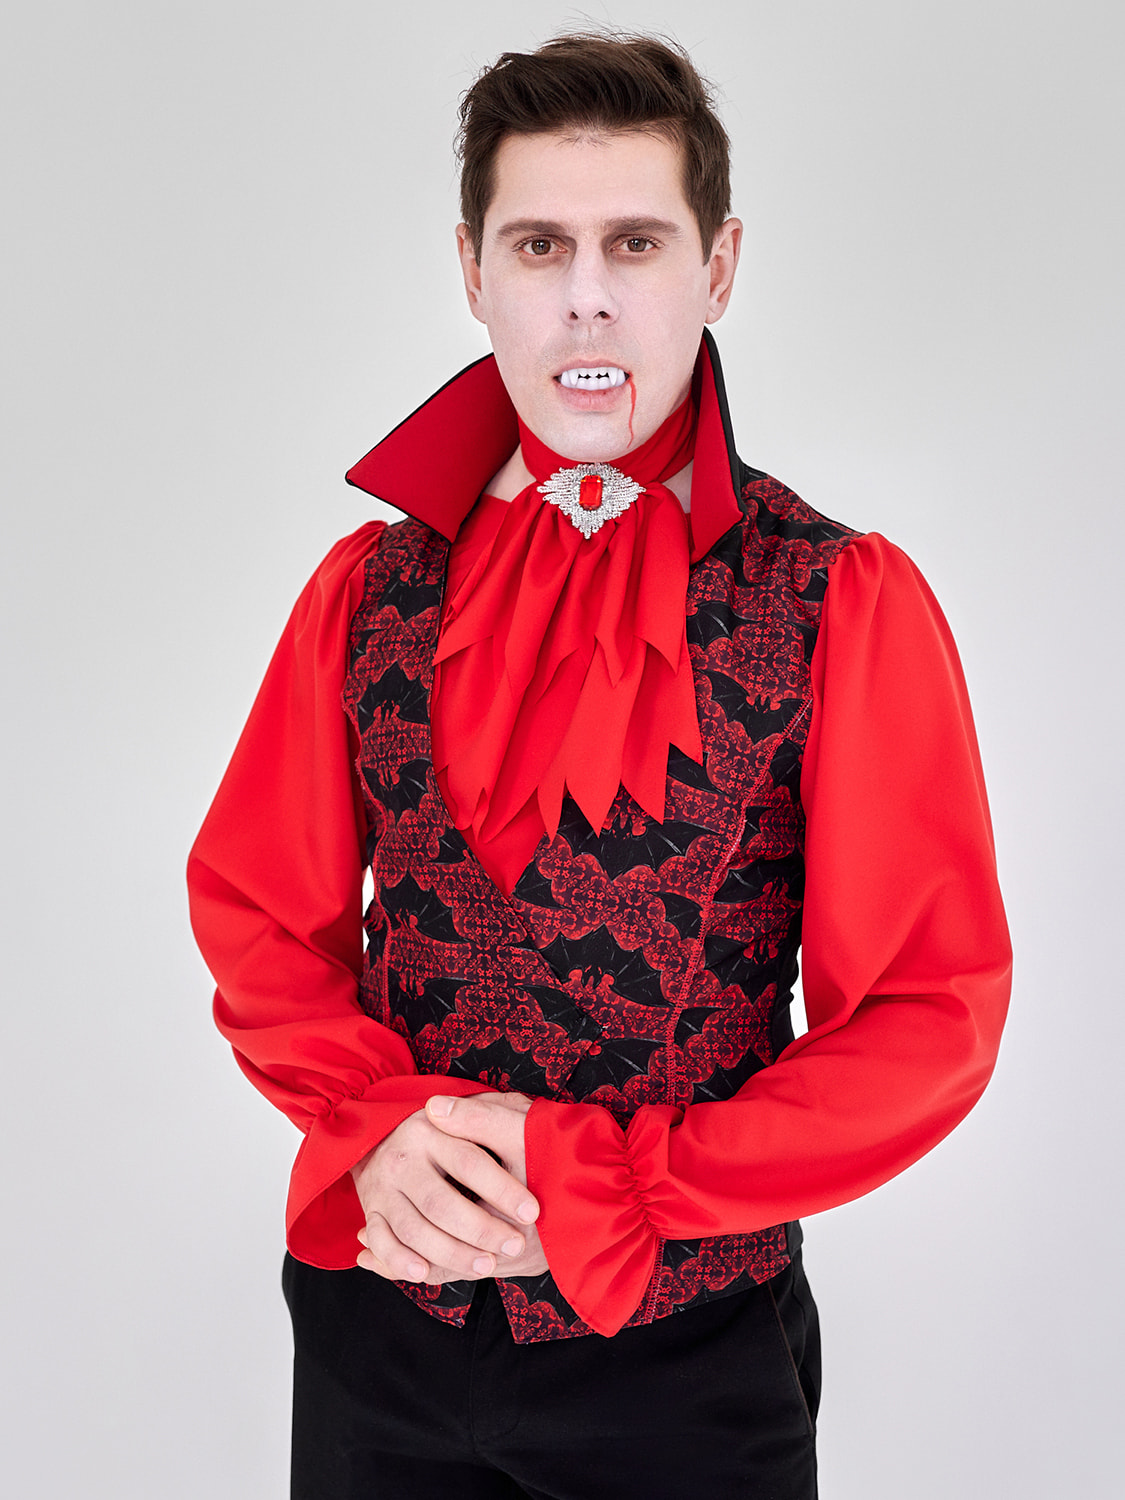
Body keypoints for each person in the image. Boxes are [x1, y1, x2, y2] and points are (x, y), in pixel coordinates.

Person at [188, 31, 1011, 1500]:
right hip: (377, 1333)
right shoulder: (363, 591)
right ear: (472, 270)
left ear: (718, 266)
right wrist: (371, 1128)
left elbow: (923, 1012)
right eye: (539, 244)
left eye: (634, 242)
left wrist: (628, 1186)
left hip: (684, 1365)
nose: (586, 295)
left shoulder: (838, 600)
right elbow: (259, 920)